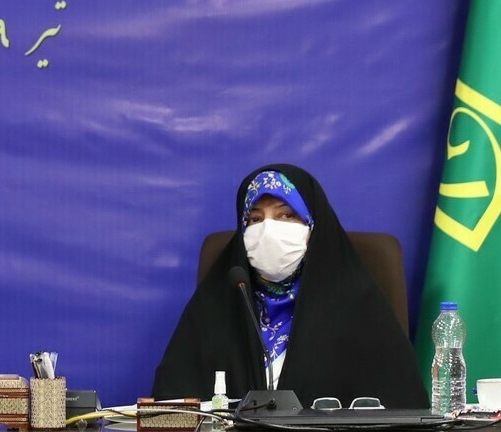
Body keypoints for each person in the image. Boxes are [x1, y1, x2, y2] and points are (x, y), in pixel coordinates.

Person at [152, 163, 428, 408]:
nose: (267, 230)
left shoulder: (360, 308)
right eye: (255, 219)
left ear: (313, 226)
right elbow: (170, 412)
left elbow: (404, 411)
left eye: (286, 216)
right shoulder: (215, 308)